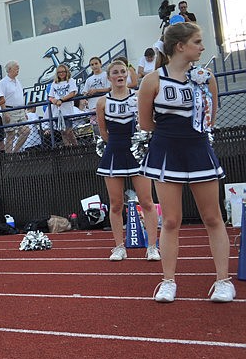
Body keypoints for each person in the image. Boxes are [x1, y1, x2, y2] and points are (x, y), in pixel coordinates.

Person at [138, 22, 234, 303]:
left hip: (198, 151)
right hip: (166, 153)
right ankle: (168, 281)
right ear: (180, 46)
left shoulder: (207, 78)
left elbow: (210, 119)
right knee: (170, 220)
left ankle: (223, 281)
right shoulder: (152, 80)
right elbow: (145, 123)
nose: (202, 47)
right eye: (197, 42)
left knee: (213, 217)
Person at [96, 60, 160, 262]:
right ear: (109, 77)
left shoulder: (138, 97)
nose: (120, 75)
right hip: (114, 152)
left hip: (137, 153)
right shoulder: (102, 102)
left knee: (147, 201)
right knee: (115, 204)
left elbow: (147, 122)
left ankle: (152, 246)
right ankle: (119, 247)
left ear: (128, 74)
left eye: (123, 71)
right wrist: (116, 145)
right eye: (115, 72)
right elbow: (103, 132)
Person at [0, 61, 30, 152]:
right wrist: (5, 113)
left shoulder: (18, 81)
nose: (18, 69)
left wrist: (25, 111)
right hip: (9, 110)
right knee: (10, 134)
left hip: (20, 110)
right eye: (16, 67)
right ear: (10, 69)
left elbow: (21, 97)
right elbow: (1, 98)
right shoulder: (3, 83)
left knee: (26, 131)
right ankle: (9, 156)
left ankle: (15, 152)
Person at [47, 64, 78, 146]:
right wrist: (54, 100)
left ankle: (76, 147)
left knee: (69, 131)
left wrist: (61, 100)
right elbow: (50, 96)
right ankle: (68, 149)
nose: (61, 73)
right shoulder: (54, 83)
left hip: (67, 111)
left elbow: (73, 93)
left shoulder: (71, 81)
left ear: (67, 72)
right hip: (57, 112)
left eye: (63, 71)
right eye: (59, 72)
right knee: (63, 132)